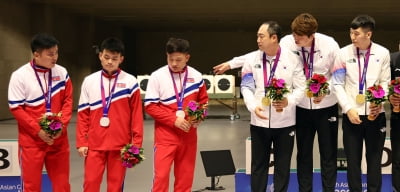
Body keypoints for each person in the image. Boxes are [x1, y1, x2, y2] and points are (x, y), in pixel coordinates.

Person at [240, 21, 306, 191]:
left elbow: (301, 88)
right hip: (258, 122)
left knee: (282, 167)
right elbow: (246, 86)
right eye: (257, 36)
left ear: (274, 38)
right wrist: (253, 106)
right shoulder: (251, 59)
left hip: (285, 123)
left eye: (261, 36)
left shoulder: (293, 59)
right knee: (258, 166)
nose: (258, 40)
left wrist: (288, 101)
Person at [279, 13, 340, 192]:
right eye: (294, 34)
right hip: (301, 107)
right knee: (303, 154)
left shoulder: (330, 45)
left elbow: (338, 75)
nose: (295, 38)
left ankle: (329, 189)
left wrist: (325, 90)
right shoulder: (286, 43)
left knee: (328, 153)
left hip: (326, 106)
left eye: (300, 36)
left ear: (312, 36)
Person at [76, 37, 144, 191]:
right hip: (95, 144)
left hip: (120, 145)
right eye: (106, 57)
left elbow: (136, 116)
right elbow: (83, 114)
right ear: (100, 55)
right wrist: (81, 141)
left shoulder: (130, 81)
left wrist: (136, 144)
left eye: (114, 59)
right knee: (90, 184)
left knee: (115, 186)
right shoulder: (89, 81)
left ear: (121, 59)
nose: (109, 62)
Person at [332, 15, 390, 191]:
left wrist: (379, 102)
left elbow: (385, 82)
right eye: (351, 33)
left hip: (375, 117)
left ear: (369, 34)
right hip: (352, 117)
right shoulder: (343, 53)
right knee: (353, 163)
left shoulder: (382, 53)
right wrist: (348, 109)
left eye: (356, 33)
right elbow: (337, 83)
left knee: (374, 161)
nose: (352, 37)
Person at [8, 33, 72, 192]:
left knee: (62, 186)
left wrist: (60, 127)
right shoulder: (20, 76)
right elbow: (16, 108)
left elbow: (68, 101)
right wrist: (38, 131)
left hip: (59, 141)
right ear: (36, 54)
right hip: (32, 142)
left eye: (56, 52)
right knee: (31, 187)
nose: (55, 57)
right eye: (50, 54)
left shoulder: (62, 72)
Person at [144, 37, 208, 191]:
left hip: (188, 136)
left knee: (185, 178)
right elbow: (150, 106)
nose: (173, 63)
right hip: (165, 137)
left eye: (178, 60)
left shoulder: (197, 77)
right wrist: (173, 120)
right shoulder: (157, 76)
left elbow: (203, 102)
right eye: (170, 59)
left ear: (187, 57)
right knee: (161, 177)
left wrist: (199, 118)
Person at [389, 41, 400, 192]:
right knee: (397, 160)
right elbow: (384, 85)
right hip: (398, 118)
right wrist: (390, 96)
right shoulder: (393, 59)